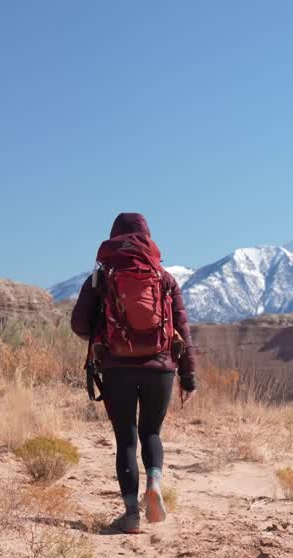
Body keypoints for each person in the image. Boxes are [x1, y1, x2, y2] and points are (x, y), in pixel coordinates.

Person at [71, 213, 197, 534]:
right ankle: (154, 485)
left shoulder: (101, 278)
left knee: (126, 438)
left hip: (116, 367)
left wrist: (107, 333)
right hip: (161, 367)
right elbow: (182, 328)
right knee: (151, 433)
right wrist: (188, 377)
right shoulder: (164, 278)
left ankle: (130, 515)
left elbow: (79, 324)